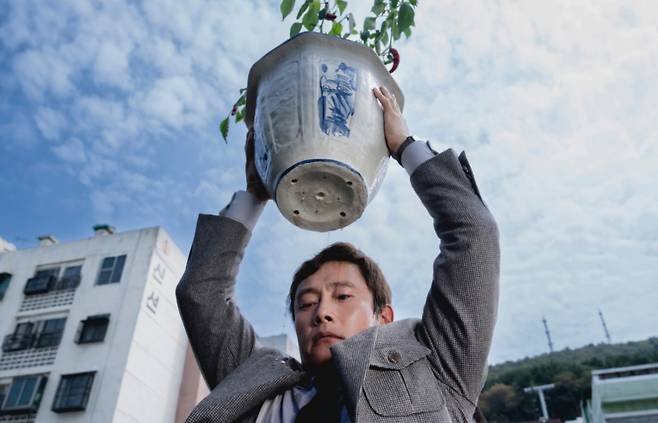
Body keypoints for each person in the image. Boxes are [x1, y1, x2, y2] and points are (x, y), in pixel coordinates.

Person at [176, 86, 500, 422]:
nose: (322, 314)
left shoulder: (437, 366)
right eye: (305, 304)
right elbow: (201, 293)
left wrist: (404, 146)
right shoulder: (254, 383)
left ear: (383, 317)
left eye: (343, 296)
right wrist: (255, 194)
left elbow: (473, 233)